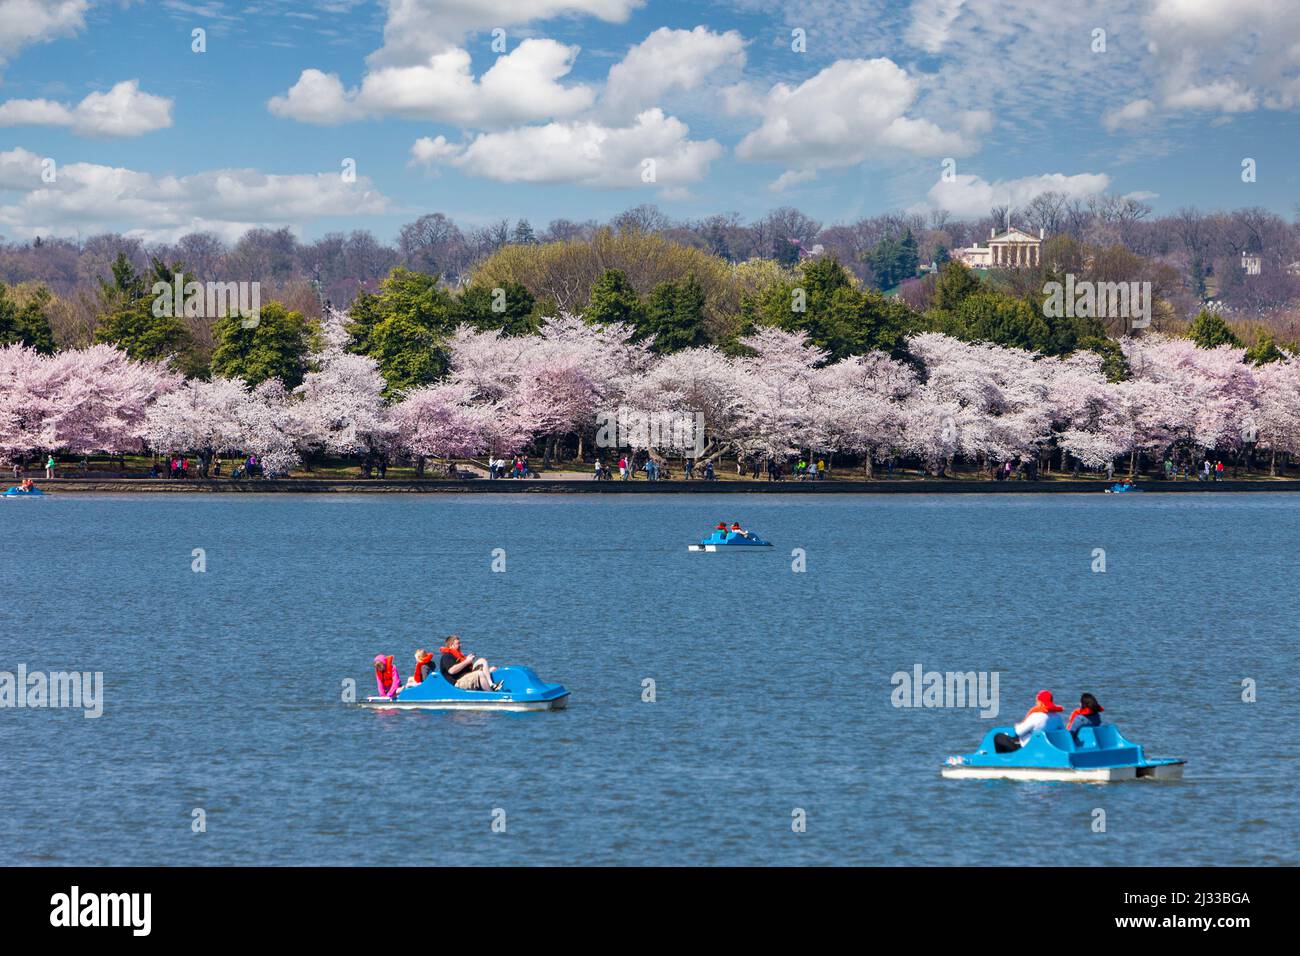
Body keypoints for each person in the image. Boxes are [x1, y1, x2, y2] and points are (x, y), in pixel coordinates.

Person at [994, 690, 1066, 753]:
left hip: (1028, 749)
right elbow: (1063, 732)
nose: (1036, 703)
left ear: (1040, 703)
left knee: (998, 737)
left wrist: (1018, 726)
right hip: (1045, 748)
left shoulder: (1036, 716)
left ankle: (1004, 762)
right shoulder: (1057, 717)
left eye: (1037, 701)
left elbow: (1018, 732)